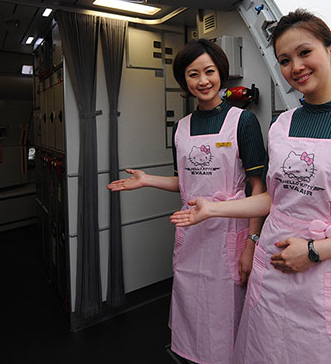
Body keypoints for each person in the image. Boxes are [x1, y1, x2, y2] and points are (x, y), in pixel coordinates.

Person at [171, 9, 331, 363]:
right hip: (273, 274)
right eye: (285, 60)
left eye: (304, 52)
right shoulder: (280, 126)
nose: (295, 66)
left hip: (327, 277)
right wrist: (213, 208)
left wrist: (313, 251)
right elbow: (272, 201)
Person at [108, 39, 266, 364]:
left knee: (229, 320)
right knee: (193, 313)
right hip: (192, 237)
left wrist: (252, 244)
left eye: (209, 71)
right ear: (185, 81)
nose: (203, 81)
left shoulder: (243, 122)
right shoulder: (181, 129)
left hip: (230, 236)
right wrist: (147, 180)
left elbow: (257, 187)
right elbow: (186, 184)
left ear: (221, 73)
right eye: (193, 74)